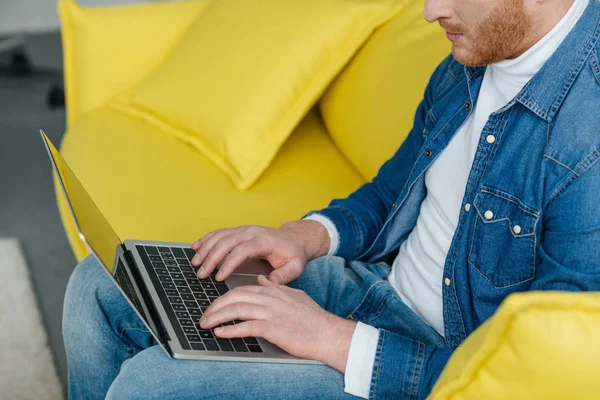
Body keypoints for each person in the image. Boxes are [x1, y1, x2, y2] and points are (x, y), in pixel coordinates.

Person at [63, 0, 600, 398]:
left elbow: (538, 382)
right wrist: (304, 236)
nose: (431, 12)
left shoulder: (588, 139)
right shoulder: (478, 50)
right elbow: (394, 191)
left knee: (148, 387)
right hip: (378, 293)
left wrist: (329, 339)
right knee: (102, 283)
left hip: (433, 370)